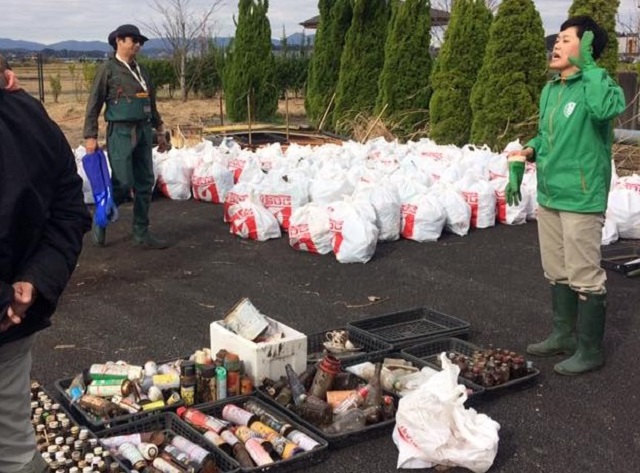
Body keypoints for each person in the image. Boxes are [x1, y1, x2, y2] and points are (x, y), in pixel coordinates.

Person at [506, 16, 626, 375]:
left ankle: (590, 350)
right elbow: (547, 137)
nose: (555, 45)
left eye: (565, 39)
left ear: (587, 48)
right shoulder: (551, 90)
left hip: (582, 195)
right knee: (556, 270)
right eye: (555, 39)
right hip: (551, 194)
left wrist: (590, 68)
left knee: (584, 274)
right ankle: (564, 335)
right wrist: (527, 150)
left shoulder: (601, 84)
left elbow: (605, 111)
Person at [0, 56, 91, 472]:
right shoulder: (28, 115)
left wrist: (35, 279)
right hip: (10, 320)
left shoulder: (26, 118)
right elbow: (69, 210)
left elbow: (67, 206)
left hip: (8, 326)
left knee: (15, 453)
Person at [83, 24, 169, 249]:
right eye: (133, 40)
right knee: (123, 183)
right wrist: (90, 135)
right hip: (120, 132)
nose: (138, 45)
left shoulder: (142, 71)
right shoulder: (108, 69)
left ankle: (141, 232)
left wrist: (159, 130)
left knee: (145, 182)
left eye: (140, 42)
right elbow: (94, 103)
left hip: (143, 129)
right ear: (119, 41)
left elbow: (151, 104)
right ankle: (102, 217)